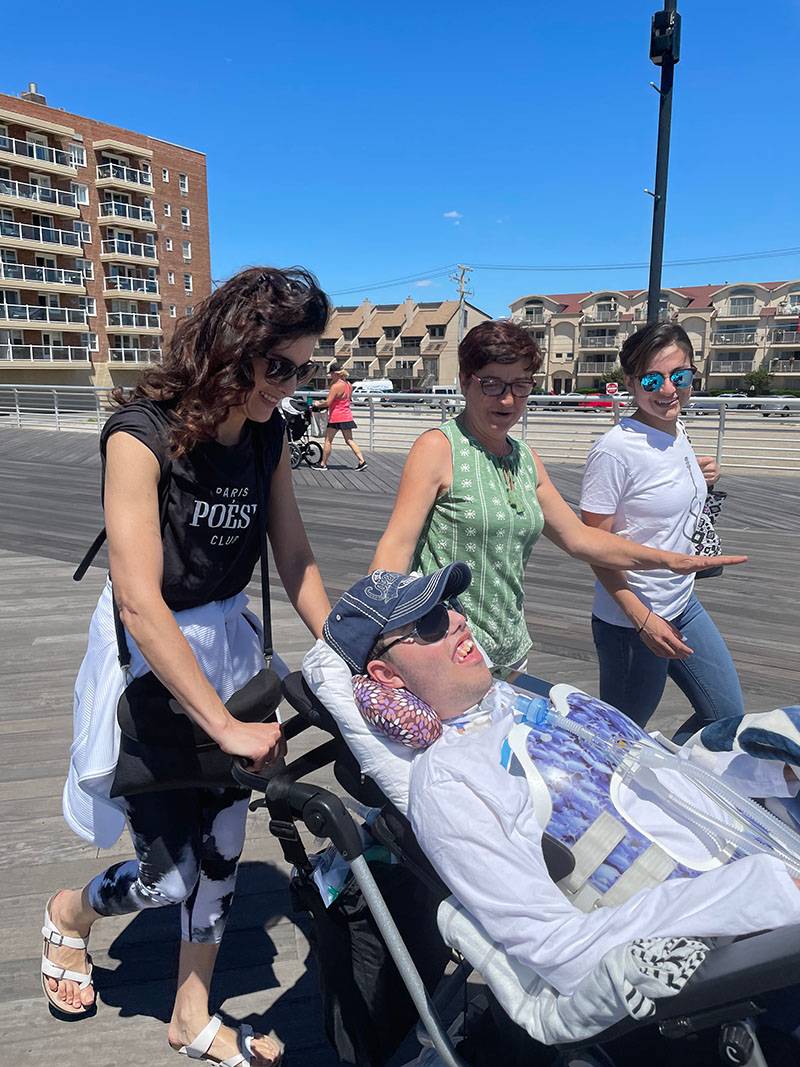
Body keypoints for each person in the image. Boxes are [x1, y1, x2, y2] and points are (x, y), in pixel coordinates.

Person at [44, 266, 332, 1067]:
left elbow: (296, 556)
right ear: (232, 349)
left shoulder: (270, 434)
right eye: (279, 365)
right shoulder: (141, 432)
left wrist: (349, 651)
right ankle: (72, 910)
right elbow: (138, 599)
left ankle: (190, 1011)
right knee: (170, 876)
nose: (289, 384)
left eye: (303, 367)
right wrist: (224, 723)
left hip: (230, 646)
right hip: (153, 657)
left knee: (227, 842)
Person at [322, 566, 800, 1023]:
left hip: (775, 871)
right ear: (386, 676)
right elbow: (557, 947)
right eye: (428, 622)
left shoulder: (536, 703)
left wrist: (770, 773)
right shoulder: (453, 784)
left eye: (448, 605)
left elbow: (664, 771)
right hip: (743, 961)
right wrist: (765, 889)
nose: (457, 619)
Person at [370, 320, 744, 676]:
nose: (507, 400)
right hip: (441, 644)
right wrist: (374, 628)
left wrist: (670, 561)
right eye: (492, 385)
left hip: (507, 646)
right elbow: (397, 544)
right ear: (466, 383)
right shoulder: (438, 447)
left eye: (520, 386)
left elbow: (580, 539)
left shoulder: (525, 459)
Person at [580, 322, 744, 739]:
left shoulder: (676, 429)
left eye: (680, 376)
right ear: (631, 383)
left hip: (683, 603)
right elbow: (593, 545)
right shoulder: (614, 450)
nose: (669, 389)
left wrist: (703, 474)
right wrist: (642, 619)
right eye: (653, 379)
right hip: (631, 619)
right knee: (618, 736)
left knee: (725, 715)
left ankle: (668, 781)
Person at [311, 361, 367, 471]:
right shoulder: (348, 385)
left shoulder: (335, 386)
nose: (330, 376)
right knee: (349, 440)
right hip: (347, 415)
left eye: (331, 374)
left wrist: (318, 404)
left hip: (336, 417)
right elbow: (345, 399)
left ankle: (323, 464)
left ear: (335, 373)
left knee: (328, 441)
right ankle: (362, 461)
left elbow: (328, 403)